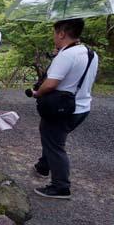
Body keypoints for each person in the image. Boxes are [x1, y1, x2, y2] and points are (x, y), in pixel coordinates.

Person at [31, 18, 98, 199]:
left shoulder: (67, 55)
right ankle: (44, 165)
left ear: (61, 33)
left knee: (55, 143)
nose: (54, 36)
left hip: (62, 109)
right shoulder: (90, 53)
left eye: (55, 33)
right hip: (82, 107)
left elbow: (51, 84)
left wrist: (37, 93)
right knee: (51, 135)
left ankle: (61, 186)